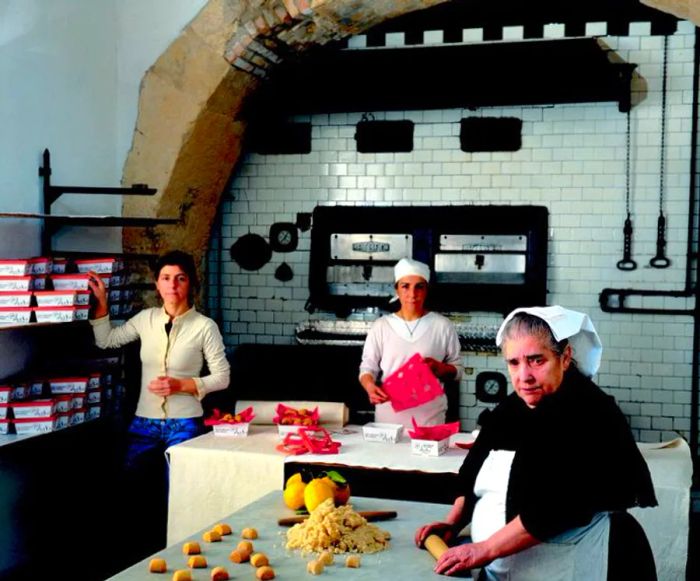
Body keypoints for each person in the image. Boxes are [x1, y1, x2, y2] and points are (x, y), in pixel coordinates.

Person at [415, 306, 658, 580]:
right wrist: (454, 521)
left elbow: (557, 505)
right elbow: (473, 467)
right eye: (514, 363)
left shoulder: (591, 412)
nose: (524, 376)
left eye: (536, 360)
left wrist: (485, 549)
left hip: (581, 563)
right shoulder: (511, 408)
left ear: (565, 357)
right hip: (512, 569)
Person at [87, 250, 230, 473]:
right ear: (157, 284)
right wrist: (102, 301)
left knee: (178, 489)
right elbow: (106, 341)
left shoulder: (205, 326)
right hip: (144, 421)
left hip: (185, 423)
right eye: (166, 278)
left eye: (180, 278)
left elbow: (222, 378)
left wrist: (181, 385)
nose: (172, 285)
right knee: (132, 485)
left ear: (190, 283)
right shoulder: (146, 319)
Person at [359, 257, 463, 427]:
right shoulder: (381, 326)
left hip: (430, 420)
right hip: (388, 421)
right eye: (405, 286)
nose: (412, 294)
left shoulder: (442, 326)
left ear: (426, 290)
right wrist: (370, 386)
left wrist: (440, 368)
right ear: (397, 289)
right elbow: (367, 367)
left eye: (419, 287)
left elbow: (458, 370)